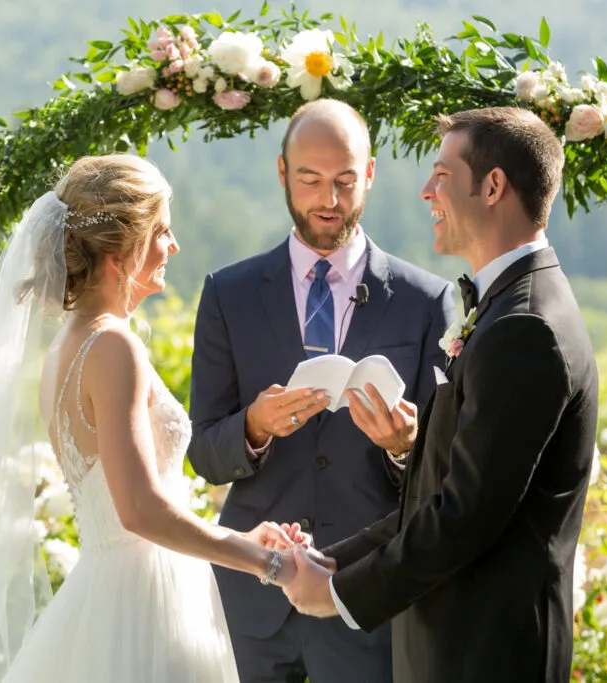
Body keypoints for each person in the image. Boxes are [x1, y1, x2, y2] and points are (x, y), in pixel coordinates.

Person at [0, 154, 303, 683]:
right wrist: (263, 563)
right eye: (162, 232)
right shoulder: (111, 348)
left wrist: (249, 535)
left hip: (113, 592)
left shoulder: (67, 347)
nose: (173, 247)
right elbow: (139, 510)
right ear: (121, 251)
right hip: (142, 605)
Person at [280, 107, 600, 683]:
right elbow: (438, 488)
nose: (426, 191)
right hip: (452, 646)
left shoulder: (525, 326)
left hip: (488, 652)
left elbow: (466, 514)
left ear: (494, 185)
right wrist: (336, 558)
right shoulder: (504, 307)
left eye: (442, 176)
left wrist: (338, 592)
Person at [188, 99, 456, 683]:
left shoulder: (426, 301)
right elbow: (204, 454)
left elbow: (444, 476)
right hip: (251, 601)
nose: (328, 201)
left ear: (371, 175)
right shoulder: (226, 295)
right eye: (309, 180)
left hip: (364, 600)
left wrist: (403, 446)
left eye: (344, 181)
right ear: (282, 173)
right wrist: (254, 428)